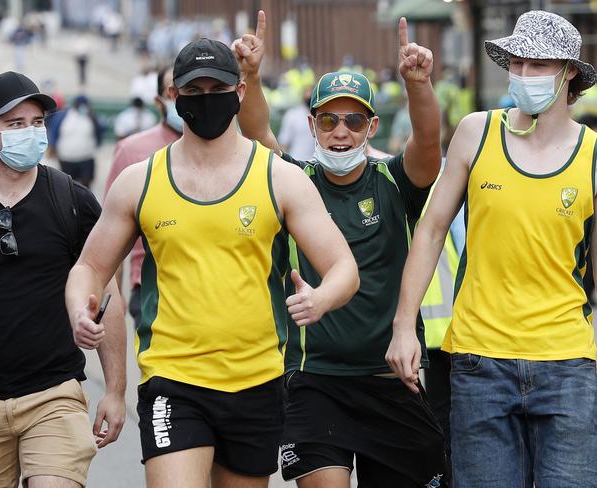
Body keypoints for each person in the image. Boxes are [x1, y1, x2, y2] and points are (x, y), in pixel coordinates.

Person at [66, 38, 359, 488]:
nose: (206, 100)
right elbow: (89, 267)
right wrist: (79, 309)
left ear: (239, 93)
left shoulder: (279, 178)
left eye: (216, 88)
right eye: (194, 91)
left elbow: (343, 268)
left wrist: (321, 299)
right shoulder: (139, 181)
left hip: (256, 380)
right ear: (174, 97)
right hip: (173, 378)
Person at [234, 12, 448, 488]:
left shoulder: (395, 181)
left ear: (372, 126)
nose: (341, 131)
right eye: (329, 119)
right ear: (312, 124)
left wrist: (418, 83)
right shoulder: (293, 182)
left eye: (354, 120)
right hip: (316, 379)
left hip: (391, 378)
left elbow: (429, 143)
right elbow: (255, 136)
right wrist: (249, 74)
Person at [386, 10, 597, 487]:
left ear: (570, 75)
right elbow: (431, 229)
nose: (522, 75)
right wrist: (403, 327)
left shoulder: (592, 154)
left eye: (538, 66)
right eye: (516, 64)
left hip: (568, 365)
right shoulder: (477, 132)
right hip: (481, 364)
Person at [0, 71, 126, 487]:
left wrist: (115, 391)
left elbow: (109, 293)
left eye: (37, 122)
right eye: (16, 125)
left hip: (54, 395)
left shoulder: (73, 201)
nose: (31, 133)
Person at [105, 66, 182, 327]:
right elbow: (111, 237)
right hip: (153, 290)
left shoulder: (229, 151)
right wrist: (114, 298)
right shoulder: (131, 151)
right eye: (174, 89)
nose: (183, 96)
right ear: (160, 100)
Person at [47, 94, 104, 188]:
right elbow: (54, 131)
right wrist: (52, 147)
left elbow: (99, 131)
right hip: (66, 159)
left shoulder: (91, 117)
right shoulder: (63, 116)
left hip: (86, 158)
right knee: (68, 186)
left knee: (86, 185)